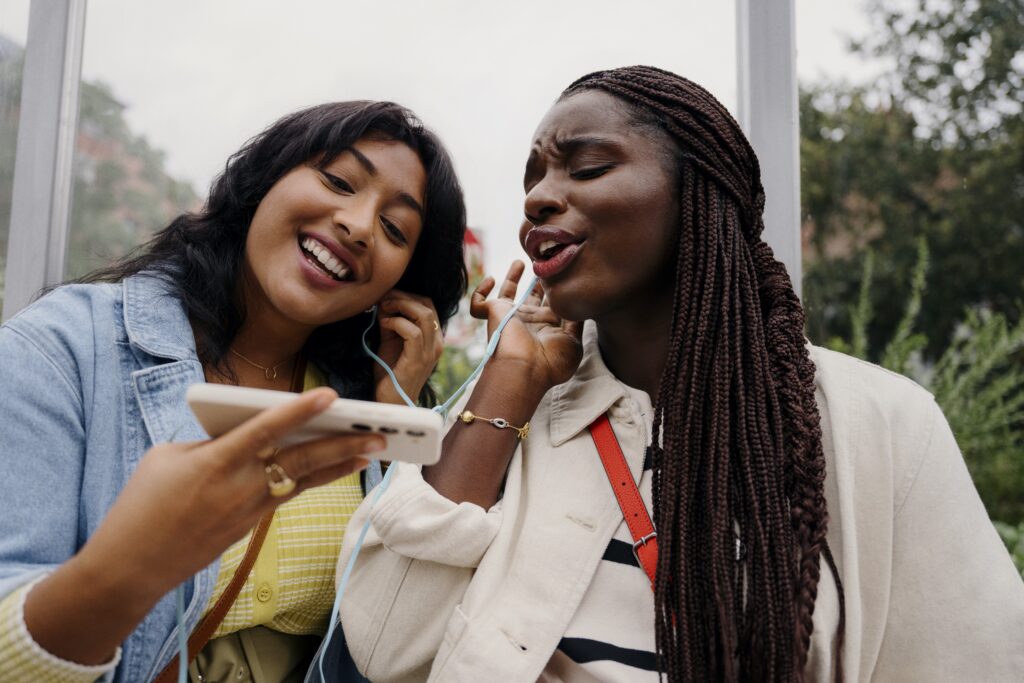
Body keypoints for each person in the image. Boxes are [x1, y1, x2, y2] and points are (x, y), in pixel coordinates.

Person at [335, 66, 1024, 681]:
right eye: (534, 178)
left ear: (698, 192)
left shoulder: (882, 425)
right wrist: (508, 380)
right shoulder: (517, 415)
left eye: (588, 167)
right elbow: (382, 644)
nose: (539, 197)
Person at [0, 100, 467, 682]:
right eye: (339, 181)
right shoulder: (66, 346)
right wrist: (128, 568)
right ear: (265, 179)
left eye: (395, 229)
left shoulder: (363, 404)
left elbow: (397, 630)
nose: (358, 225)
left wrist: (396, 407)